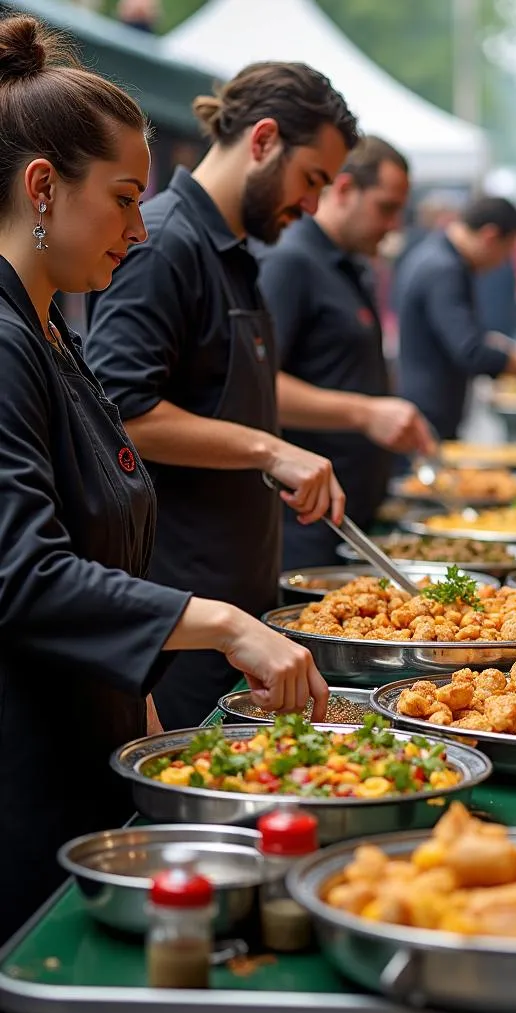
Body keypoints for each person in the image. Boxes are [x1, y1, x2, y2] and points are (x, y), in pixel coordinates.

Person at [0, 14, 328, 946]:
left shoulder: (54, 332)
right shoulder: (6, 345)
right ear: (41, 188)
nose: (139, 227)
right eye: (124, 197)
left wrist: (143, 708)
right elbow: (23, 573)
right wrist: (224, 625)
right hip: (27, 775)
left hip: (94, 749)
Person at [85, 63, 359, 729]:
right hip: (185, 625)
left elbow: (230, 397)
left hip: (236, 617)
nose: (315, 205)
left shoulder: (234, 253)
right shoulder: (164, 244)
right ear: (263, 140)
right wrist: (269, 450)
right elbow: (119, 409)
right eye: (312, 179)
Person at [257, 137, 434, 565]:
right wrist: (366, 412)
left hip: (349, 516)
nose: (393, 226)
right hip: (304, 525)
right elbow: (258, 384)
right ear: (344, 189)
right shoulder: (291, 261)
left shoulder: (349, 262)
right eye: (386, 208)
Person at [395, 195, 516, 440]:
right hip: (429, 415)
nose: (503, 262)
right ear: (490, 237)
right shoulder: (444, 268)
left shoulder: (438, 256)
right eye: (507, 250)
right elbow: (473, 352)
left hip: (431, 409)